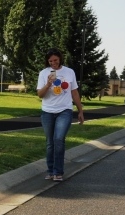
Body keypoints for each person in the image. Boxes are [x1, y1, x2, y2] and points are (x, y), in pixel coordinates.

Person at [36, 48, 84, 182]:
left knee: (58, 139)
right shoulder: (43, 73)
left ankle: (58, 172)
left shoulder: (69, 72)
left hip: (64, 110)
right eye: (50, 61)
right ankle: (50, 171)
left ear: (60, 59)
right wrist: (48, 84)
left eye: (55, 60)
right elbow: (40, 95)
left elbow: (74, 93)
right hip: (47, 112)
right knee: (50, 143)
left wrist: (80, 111)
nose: (53, 63)